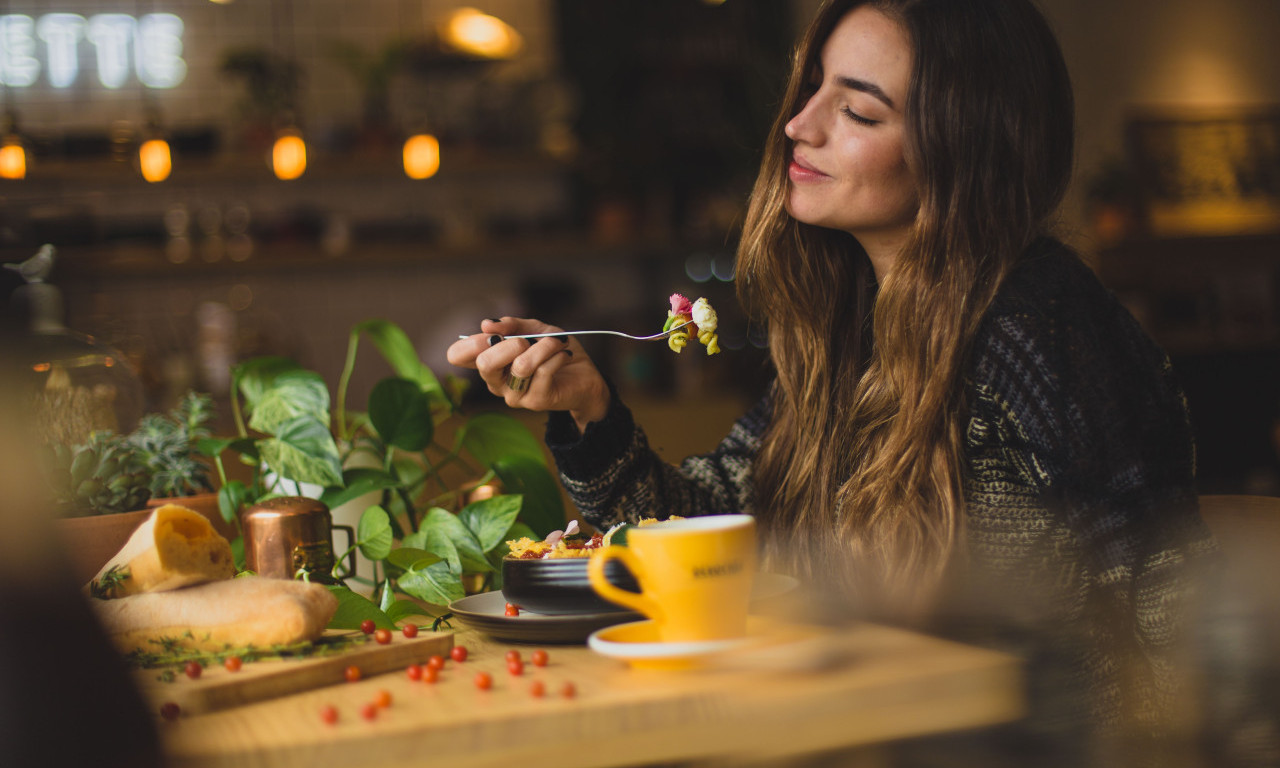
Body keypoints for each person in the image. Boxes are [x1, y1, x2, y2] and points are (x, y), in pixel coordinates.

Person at [449, 0, 1216, 763]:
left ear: (964, 149)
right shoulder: (852, 328)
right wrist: (591, 410)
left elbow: (1166, 600)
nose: (798, 124)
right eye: (812, 86)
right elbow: (714, 533)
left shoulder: (1037, 326)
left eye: (858, 110)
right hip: (856, 733)